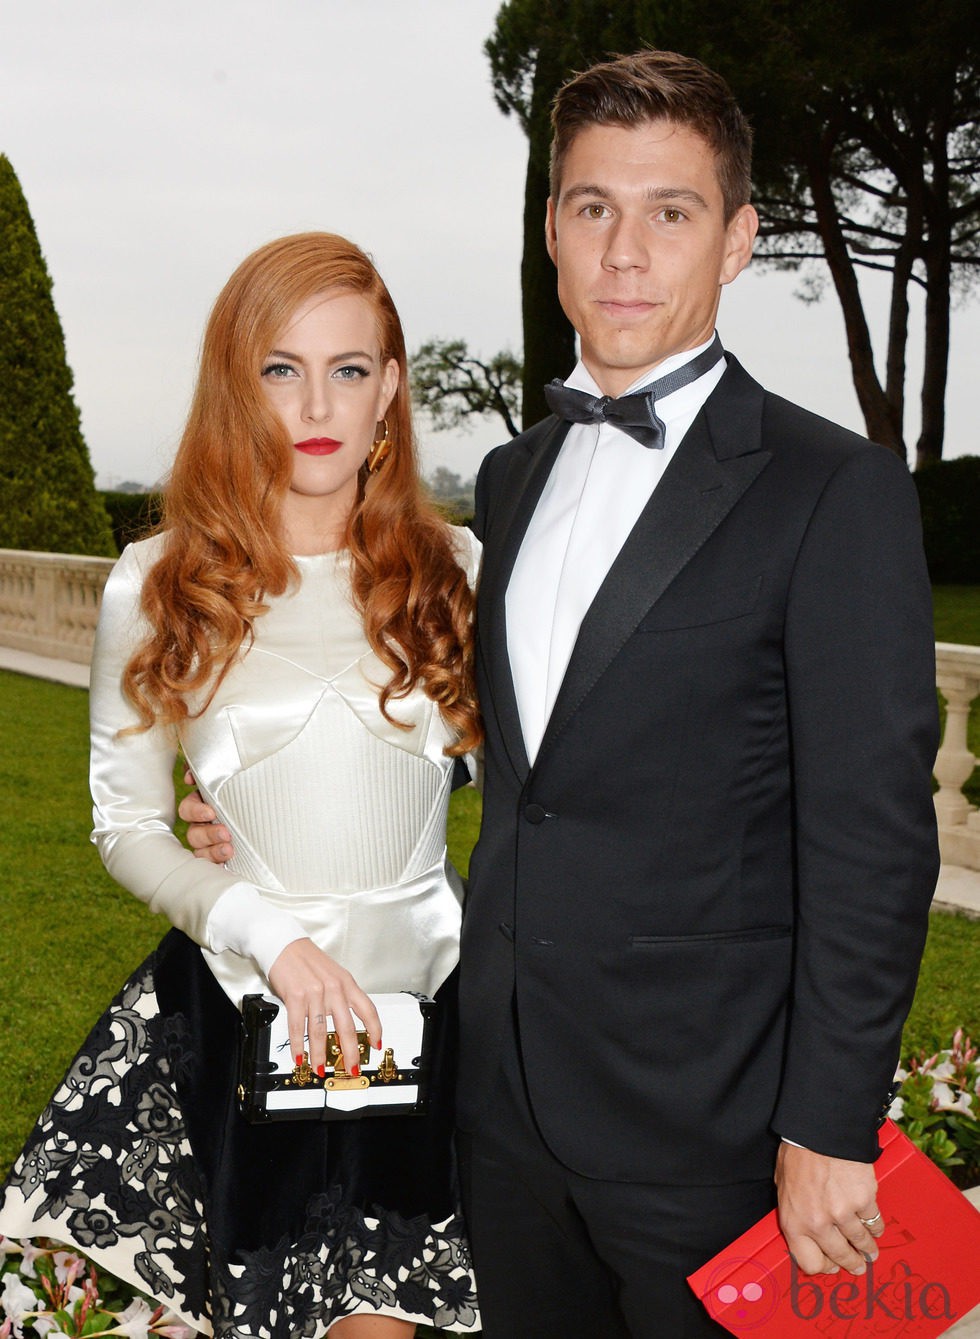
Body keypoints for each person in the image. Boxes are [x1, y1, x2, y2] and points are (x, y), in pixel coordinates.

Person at [184, 51, 940, 1339]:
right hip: (503, 1109)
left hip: (717, 1134)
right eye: (592, 208)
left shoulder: (832, 492)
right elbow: (528, 750)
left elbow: (872, 840)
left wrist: (825, 1124)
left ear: (739, 238)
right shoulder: (515, 475)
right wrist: (283, 804)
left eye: (671, 211)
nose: (626, 251)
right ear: (551, 231)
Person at [0, 233, 481, 1339]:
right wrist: (268, 925)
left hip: (428, 1017)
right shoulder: (158, 582)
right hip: (234, 1015)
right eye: (280, 368)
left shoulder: (456, 569)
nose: (315, 401)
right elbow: (123, 825)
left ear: (389, 390)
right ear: (235, 385)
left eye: (348, 368)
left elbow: (544, 780)